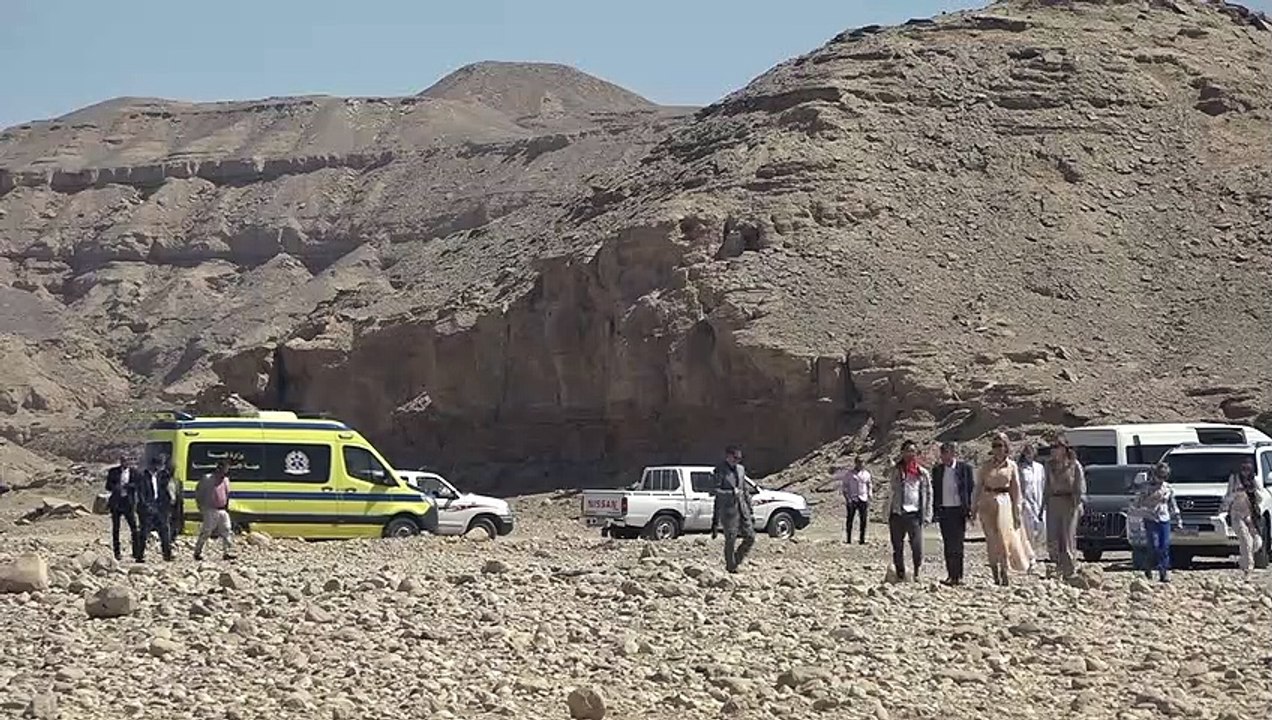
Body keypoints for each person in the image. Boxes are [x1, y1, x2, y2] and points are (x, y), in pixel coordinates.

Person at [973, 433, 1025, 586]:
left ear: (1006, 447)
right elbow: (978, 487)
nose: (997, 449)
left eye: (1000, 445)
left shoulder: (1012, 466)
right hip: (988, 502)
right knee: (991, 539)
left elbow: (1016, 490)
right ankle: (995, 572)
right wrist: (973, 507)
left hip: (1004, 502)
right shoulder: (986, 466)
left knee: (1004, 539)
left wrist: (1017, 510)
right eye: (994, 446)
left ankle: (1005, 570)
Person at [887, 440, 932, 581]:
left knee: (917, 546)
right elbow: (887, 477)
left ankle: (917, 571)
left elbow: (929, 493)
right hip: (897, 513)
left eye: (912, 451)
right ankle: (900, 573)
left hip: (914, 514)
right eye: (907, 451)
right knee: (897, 546)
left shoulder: (922, 473)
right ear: (902, 452)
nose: (910, 454)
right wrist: (896, 465)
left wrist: (927, 514)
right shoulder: (896, 470)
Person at [1043, 433, 1086, 579]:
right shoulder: (1049, 466)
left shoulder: (1074, 465)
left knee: (1067, 536)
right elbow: (1047, 486)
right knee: (1053, 536)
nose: (1053, 450)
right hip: (1053, 502)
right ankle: (1056, 566)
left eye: (1056, 447)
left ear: (1064, 449)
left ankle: (1069, 569)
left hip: (1069, 502)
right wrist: (1043, 504)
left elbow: (1079, 486)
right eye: (1052, 447)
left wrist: (1078, 502)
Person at [931, 442, 974, 586]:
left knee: (958, 544)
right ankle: (951, 575)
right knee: (948, 544)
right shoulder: (937, 470)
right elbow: (935, 490)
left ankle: (959, 576)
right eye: (942, 453)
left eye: (946, 453)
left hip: (959, 510)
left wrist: (970, 509)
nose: (944, 457)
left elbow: (970, 489)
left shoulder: (964, 469)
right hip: (945, 510)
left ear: (953, 453)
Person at [1131, 462, 1182, 583]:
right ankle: (1148, 566)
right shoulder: (1146, 488)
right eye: (1159, 475)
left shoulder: (1167, 488)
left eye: (1164, 476)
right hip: (1150, 518)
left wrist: (1178, 519)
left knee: (1164, 546)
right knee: (1153, 545)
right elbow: (1137, 503)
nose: (1161, 479)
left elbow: (1172, 504)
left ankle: (1163, 571)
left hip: (1164, 518)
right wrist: (1142, 506)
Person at [711, 446, 756, 573]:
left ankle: (736, 559)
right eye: (735, 458)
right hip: (728, 510)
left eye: (739, 459)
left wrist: (750, 508)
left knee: (750, 537)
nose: (737, 461)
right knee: (731, 539)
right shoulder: (719, 470)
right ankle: (731, 566)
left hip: (742, 508)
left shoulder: (741, 469)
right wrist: (730, 493)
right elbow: (714, 491)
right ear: (728, 456)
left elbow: (745, 489)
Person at [1221, 458, 1264, 578]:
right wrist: (1236, 493)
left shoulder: (1255, 480)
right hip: (1236, 513)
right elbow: (1228, 496)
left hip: (1250, 514)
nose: (1246, 472)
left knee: (1257, 542)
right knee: (1246, 539)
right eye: (1244, 469)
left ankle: (1243, 559)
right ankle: (1248, 568)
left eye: (1248, 469)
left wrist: (1253, 491)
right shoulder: (1234, 479)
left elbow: (1261, 498)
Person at [134, 456, 175, 562]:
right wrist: (147, 506)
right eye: (159, 464)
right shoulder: (143, 476)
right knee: (144, 533)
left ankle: (167, 555)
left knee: (164, 531)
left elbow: (168, 480)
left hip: (160, 508)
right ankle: (139, 556)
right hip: (147, 509)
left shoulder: (161, 476)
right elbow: (141, 494)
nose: (161, 467)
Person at [193, 460, 235, 562]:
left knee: (226, 530)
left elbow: (227, 494)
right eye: (224, 468)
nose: (225, 471)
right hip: (210, 509)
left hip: (222, 509)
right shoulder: (207, 479)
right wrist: (201, 506)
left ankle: (227, 552)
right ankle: (198, 552)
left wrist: (227, 507)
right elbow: (199, 492)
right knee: (206, 531)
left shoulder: (225, 480)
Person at [104, 455, 138, 562]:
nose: (125, 462)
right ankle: (117, 553)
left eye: (127, 460)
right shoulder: (113, 472)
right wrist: (116, 487)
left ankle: (136, 552)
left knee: (134, 528)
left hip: (128, 503)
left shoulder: (134, 473)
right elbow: (107, 486)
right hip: (116, 503)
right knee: (116, 529)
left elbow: (138, 485)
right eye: (123, 460)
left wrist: (128, 486)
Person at [1018, 443, 1047, 560]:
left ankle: (1033, 549)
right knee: (1029, 529)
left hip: (1039, 502)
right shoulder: (1020, 468)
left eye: (1031, 452)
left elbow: (1043, 484)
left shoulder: (1040, 467)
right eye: (1027, 453)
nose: (1029, 455)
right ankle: (1030, 556)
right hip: (1027, 503)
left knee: (1043, 527)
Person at [836, 456, 871, 544]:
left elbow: (869, 485)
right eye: (859, 462)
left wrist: (869, 495)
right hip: (853, 499)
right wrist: (847, 498)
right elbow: (845, 487)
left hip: (863, 498)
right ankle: (848, 539)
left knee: (863, 519)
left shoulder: (866, 474)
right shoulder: (849, 474)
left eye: (862, 462)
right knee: (850, 519)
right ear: (855, 463)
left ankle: (862, 539)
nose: (861, 464)